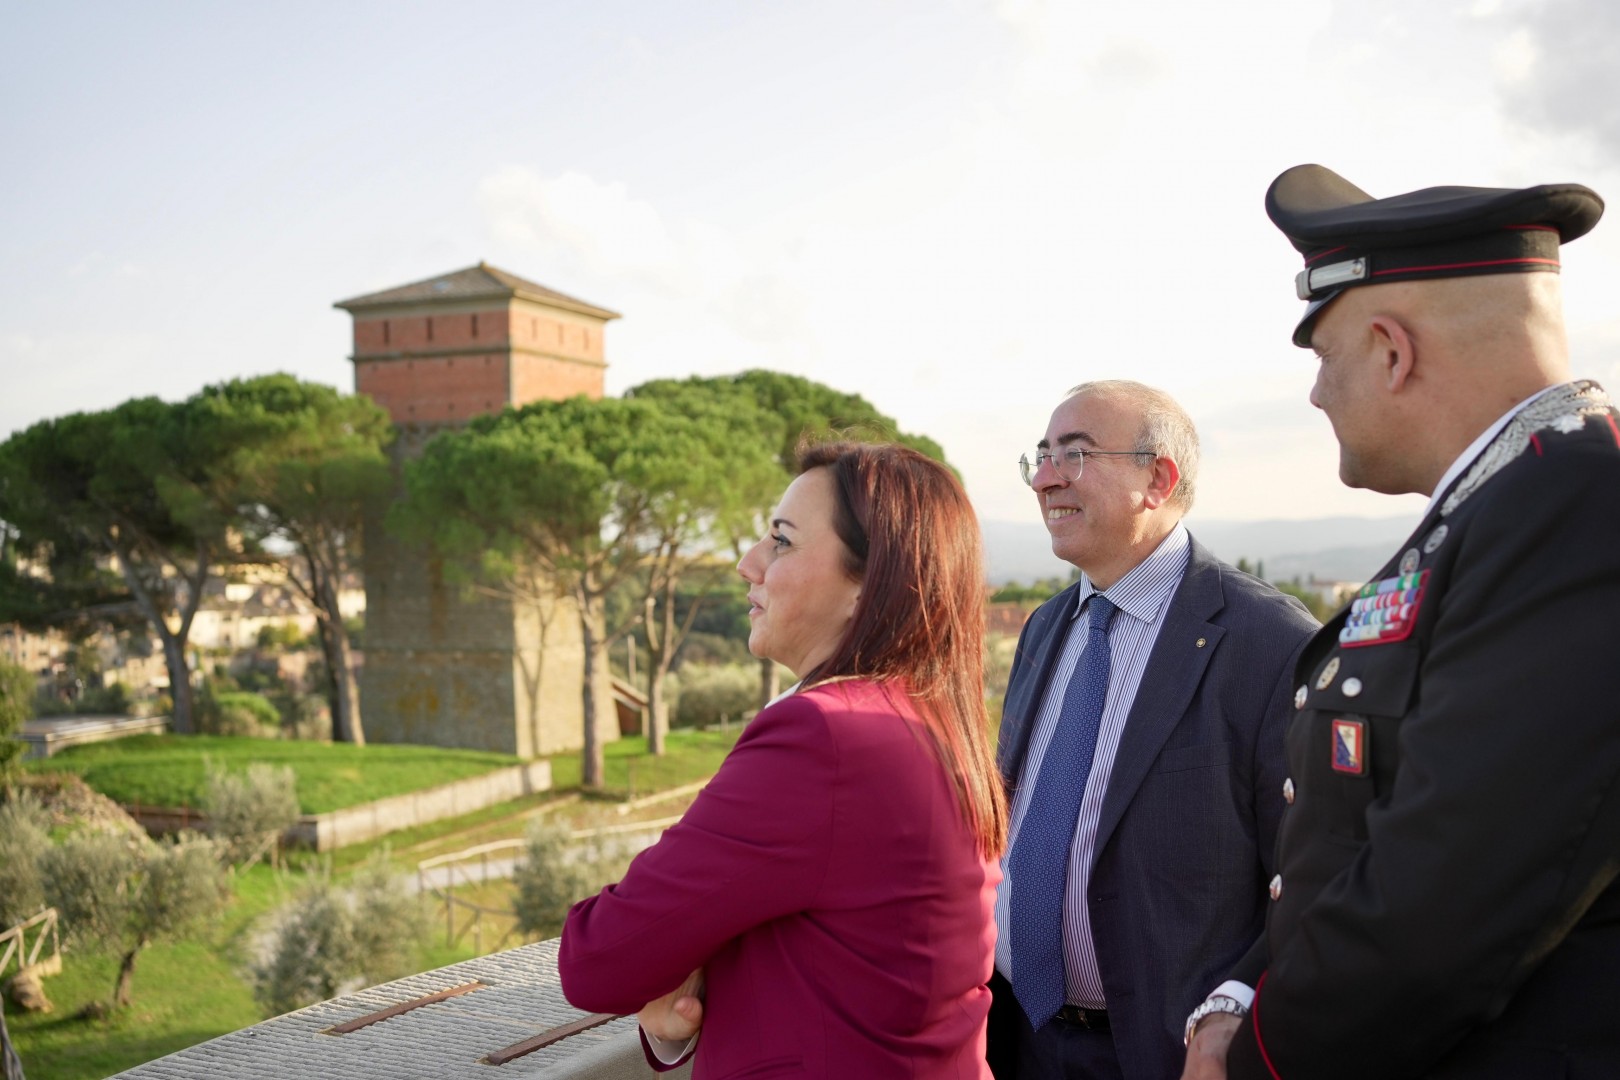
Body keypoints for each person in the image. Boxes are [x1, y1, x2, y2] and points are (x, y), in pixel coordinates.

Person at [1182, 165, 1620, 1079]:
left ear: (1391, 349)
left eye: (1322, 356)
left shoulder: (1579, 502)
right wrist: (1246, 991)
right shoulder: (1511, 502)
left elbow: (1449, 897)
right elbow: (1358, 834)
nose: (1315, 396)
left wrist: (1258, 1059)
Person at [559, 441, 1007, 1079]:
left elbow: (596, 958)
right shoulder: (932, 720)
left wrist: (677, 972)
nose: (749, 564)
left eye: (782, 541)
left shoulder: (823, 737)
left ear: (867, 586)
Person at [989, 380, 1317, 1079]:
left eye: (1073, 456)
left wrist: (1238, 1008)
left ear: (1157, 479)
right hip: (1016, 1037)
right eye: (1040, 457)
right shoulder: (1047, 626)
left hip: (1164, 1055)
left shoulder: (1267, 642)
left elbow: (1313, 869)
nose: (1044, 480)